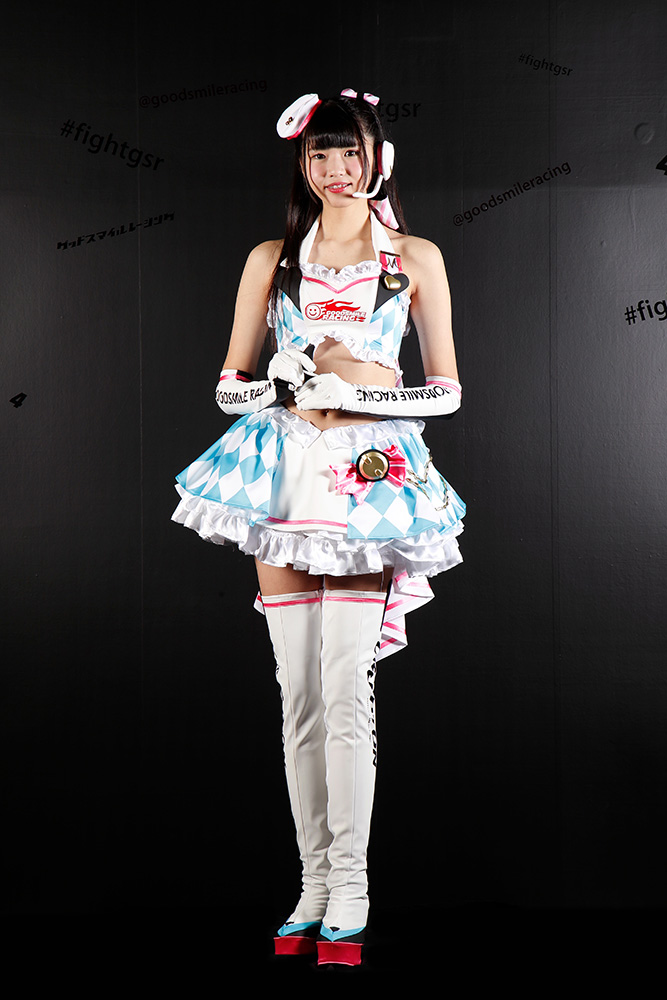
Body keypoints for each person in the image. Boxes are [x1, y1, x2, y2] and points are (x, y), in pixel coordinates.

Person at [172, 88, 465, 967]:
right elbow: (228, 385)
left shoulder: (413, 258)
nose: (336, 170)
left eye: (350, 152)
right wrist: (278, 381)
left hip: (368, 483)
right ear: (300, 165)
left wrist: (360, 393)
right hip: (283, 474)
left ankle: (352, 890)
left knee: (344, 694)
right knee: (297, 696)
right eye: (319, 155)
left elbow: (445, 391)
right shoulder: (272, 260)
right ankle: (310, 884)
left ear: (379, 158)